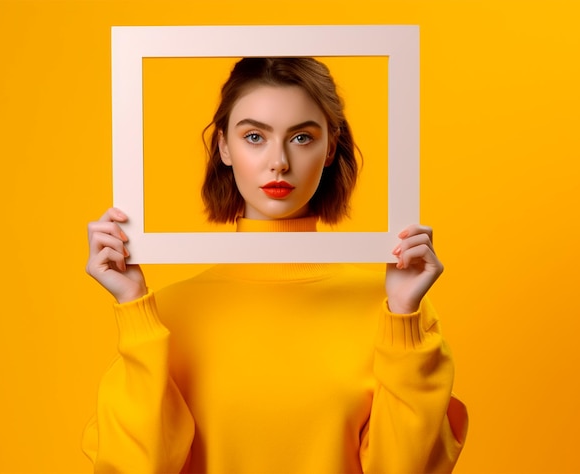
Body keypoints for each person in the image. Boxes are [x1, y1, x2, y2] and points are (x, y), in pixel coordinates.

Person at [83, 57, 468, 473]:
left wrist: (404, 316)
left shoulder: (394, 311)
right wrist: (134, 306)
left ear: (331, 146)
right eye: (254, 136)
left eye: (301, 137)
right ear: (224, 147)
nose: (279, 161)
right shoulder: (165, 316)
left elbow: (406, 468)